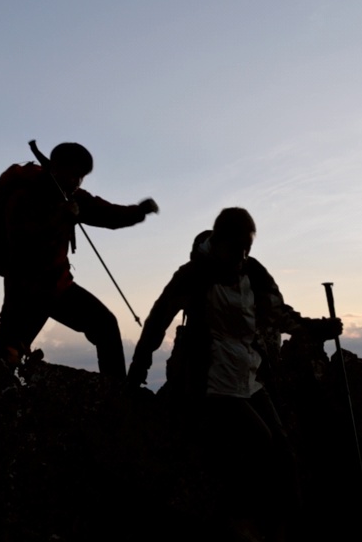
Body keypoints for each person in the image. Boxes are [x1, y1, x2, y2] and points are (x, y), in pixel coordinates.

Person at [126, 207, 341, 540]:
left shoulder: (252, 272)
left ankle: (289, 526)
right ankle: (238, 520)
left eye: (247, 248)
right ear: (219, 241)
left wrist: (317, 329)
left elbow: (277, 314)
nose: (242, 255)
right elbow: (158, 320)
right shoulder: (193, 275)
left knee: (283, 449)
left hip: (249, 375)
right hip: (211, 381)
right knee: (260, 441)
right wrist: (139, 367)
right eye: (237, 248)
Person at [0, 142, 157, 381]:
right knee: (6, 356)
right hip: (26, 291)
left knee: (105, 325)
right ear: (56, 168)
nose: (78, 181)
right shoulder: (24, 195)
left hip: (56, 286)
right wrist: (59, 217)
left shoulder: (70, 195)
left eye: (82, 176)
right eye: (75, 174)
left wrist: (139, 211)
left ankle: (119, 396)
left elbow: (105, 213)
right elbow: (20, 242)